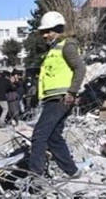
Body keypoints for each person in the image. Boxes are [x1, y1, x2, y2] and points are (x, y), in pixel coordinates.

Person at [29, 11, 86, 178]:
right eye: (43, 32)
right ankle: (73, 171)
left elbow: (80, 68)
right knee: (53, 137)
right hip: (54, 98)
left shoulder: (67, 46)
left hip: (60, 98)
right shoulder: (53, 49)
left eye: (48, 31)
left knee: (39, 136)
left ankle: (35, 177)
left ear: (58, 29)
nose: (45, 35)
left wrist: (72, 92)